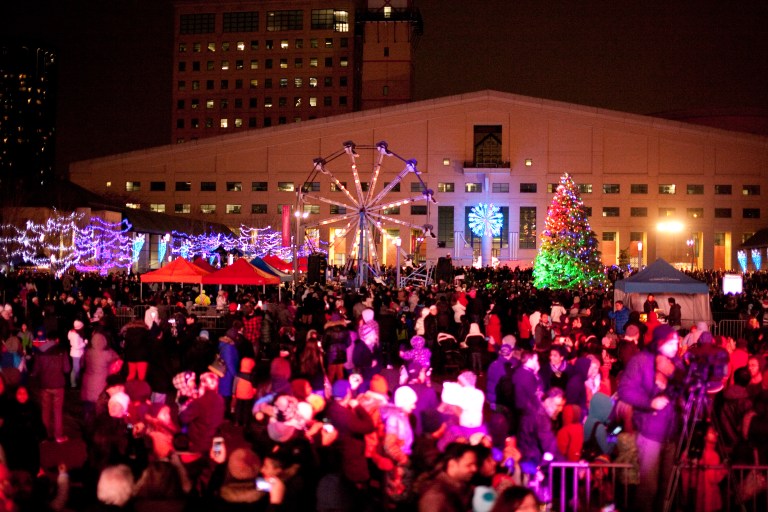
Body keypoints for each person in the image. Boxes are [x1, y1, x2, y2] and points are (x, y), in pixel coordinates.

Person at [617, 324, 682, 512]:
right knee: (649, 487)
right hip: (649, 433)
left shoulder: (676, 363)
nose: (675, 346)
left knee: (667, 488)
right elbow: (625, 390)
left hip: (672, 434)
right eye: (671, 342)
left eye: (676, 342)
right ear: (660, 342)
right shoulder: (641, 361)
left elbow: (685, 388)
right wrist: (649, 402)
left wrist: (675, 374)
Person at [417, 442, 478, 512]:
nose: (474, 469)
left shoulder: (465, 488)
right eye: (469, 465)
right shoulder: (435, 497)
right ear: (452, 465)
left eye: (475, 464)